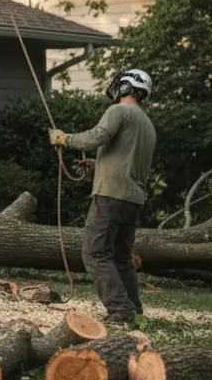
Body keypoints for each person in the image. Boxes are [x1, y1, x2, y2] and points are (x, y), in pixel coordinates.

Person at [48, 69, 157, 329]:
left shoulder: (119, 112)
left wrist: (65, 138)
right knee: (121, 257)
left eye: (119, 84)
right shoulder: (146, 124)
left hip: (110, 196)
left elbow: (99, 135)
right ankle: (136, 311)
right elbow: (127, 161)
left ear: (127, 87)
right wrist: (97, 165)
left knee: (94, 253)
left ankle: (120, 310)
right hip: (132, 199)